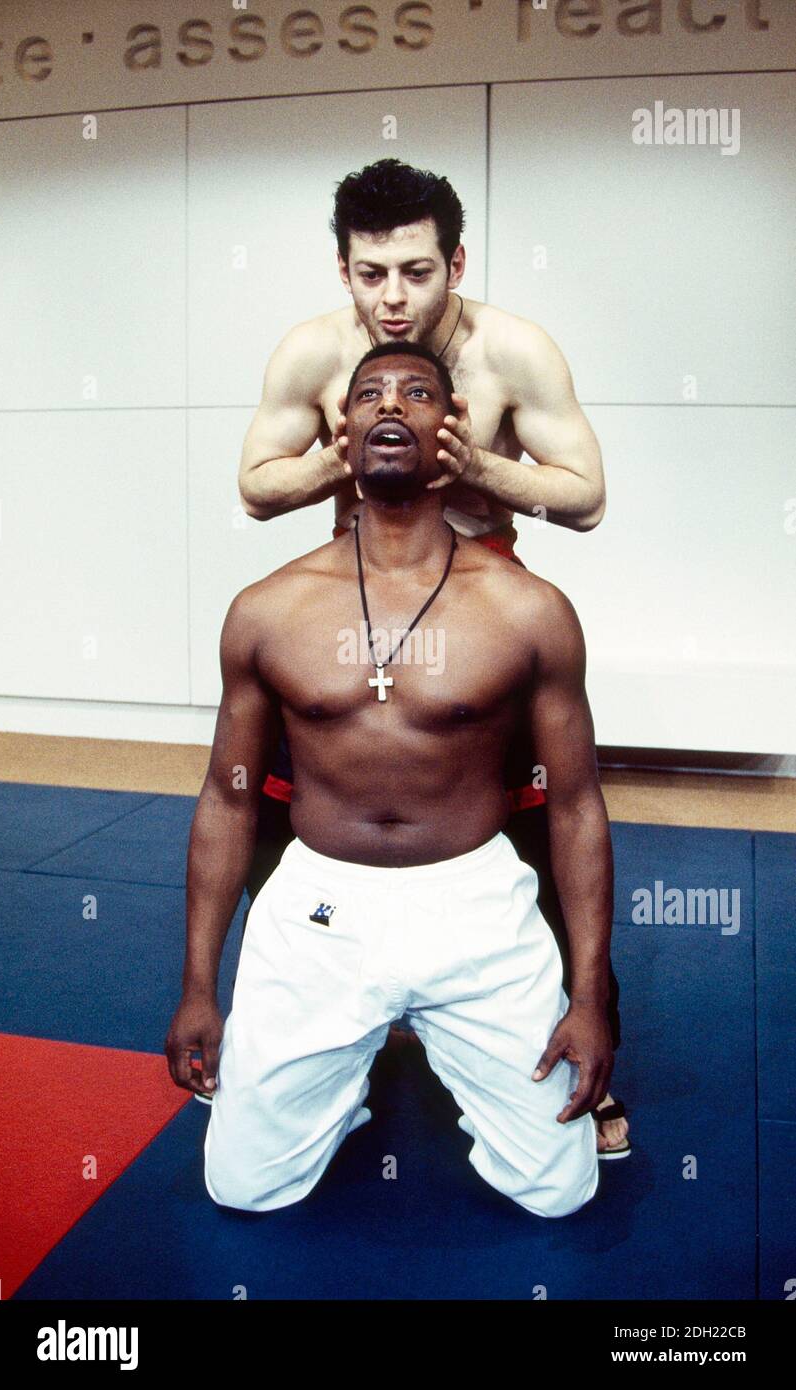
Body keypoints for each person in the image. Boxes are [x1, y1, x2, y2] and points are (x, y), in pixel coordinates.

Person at [235, 159, 629, 1156]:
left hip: (477, 618)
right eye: (370, 275)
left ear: (455, 260)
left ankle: (587, 1056)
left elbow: (583, 496)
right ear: (343, 270)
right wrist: (356, 445)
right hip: (355, 611)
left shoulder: (511, 350)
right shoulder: (314, 353)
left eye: (415, 270)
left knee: (541, 847)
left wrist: (472, 464)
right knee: (278, 832)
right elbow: (254, 485)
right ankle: (322, 1035)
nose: (393, 298)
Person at [165, 343, 614, 1219]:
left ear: (451, 430)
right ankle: (334, 1089)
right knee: (243, 1187)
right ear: (342, 434)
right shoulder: (267, 609)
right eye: (368, 393)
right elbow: (227, 797)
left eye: (417, 392)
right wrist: (196, 988)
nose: (390, 405)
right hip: (319, 907)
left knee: (561, 1191)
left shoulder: (528, 609)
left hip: (475, 903)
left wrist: (589, 997)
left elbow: (574, 805)